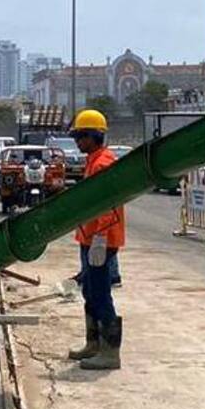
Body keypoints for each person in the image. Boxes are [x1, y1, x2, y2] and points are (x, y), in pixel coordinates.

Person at [67, 109, 125, 370]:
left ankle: (110, 352)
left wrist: (100, 238)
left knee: (101, 294)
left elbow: (106, 204)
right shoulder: (93, 159)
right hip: (90, 238)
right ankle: (93, 343)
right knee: (90, 291)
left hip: (101, 239)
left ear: (93, 136)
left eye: (80, 136)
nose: (77, 142)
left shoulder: (103, 163)